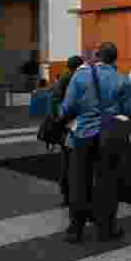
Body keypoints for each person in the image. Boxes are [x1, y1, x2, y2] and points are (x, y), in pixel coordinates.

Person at [60, 42, 131, 243]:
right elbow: (129, 110)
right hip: (110, 135)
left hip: (83, 134)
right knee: (108, 182)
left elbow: (67, 106)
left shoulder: (80, 75)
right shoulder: (122, 80)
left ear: (98, 56)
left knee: (79, 180)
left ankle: (76, 228)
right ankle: (106, 228)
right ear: (115, 59)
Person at [51, 55, 84, 206]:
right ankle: (72, 195)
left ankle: (66, 194)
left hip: (63, 124)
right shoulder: (74, 79)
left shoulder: (63, 78)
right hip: (71, 125)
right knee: (73, 162)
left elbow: (56, 102)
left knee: (66, 161)